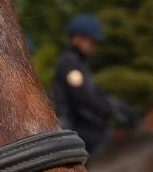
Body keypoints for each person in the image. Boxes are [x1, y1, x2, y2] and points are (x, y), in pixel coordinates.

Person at [51, 14, 132, 154]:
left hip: (85, 125)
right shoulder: (70, 65)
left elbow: (95, 93)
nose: (94, 46)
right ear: (77, 39)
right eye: (92, 41)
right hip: (72, 126)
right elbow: (84, 97)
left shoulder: (79, 64)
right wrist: (110, 110)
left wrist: (119, 106)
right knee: (109, 146)